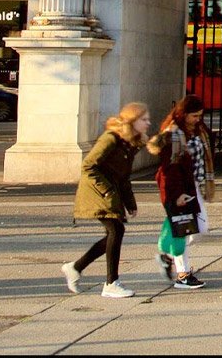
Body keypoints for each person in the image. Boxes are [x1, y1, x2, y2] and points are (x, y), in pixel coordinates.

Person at [62, 102, 151, 299]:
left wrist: (130, 203)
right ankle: (111, 283)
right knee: (116, 230)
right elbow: (88, 166)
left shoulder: (130, 143)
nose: (148, 123)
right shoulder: (111, 138)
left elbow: (124, 176)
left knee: (114, 233)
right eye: (144, 119)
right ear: (132, 121)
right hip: (97, 192)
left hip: (111, 192)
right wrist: (108, 191)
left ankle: (76, 267)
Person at [147, 94, 214, 290]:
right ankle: (183, 274)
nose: (198, 119)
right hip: (180, 186)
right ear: (183, 114)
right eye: (194, 115)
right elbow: (170, 168)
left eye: (200, 115)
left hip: (194, 183)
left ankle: (165, 254)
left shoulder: (197, 129)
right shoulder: (174, 134)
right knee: (184, 229)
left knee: (197, 228)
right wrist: (177, 194)